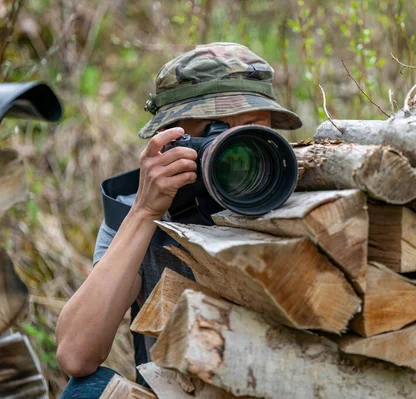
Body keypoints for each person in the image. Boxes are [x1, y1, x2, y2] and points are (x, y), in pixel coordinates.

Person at [55, 43, 302, 397]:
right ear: (170, 138)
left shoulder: (300, 201)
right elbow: (77, 356)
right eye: (214, 131)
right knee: (85, 391)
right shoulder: (137, 212)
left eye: (252, 129)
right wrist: (144, 213)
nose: (237, 150)